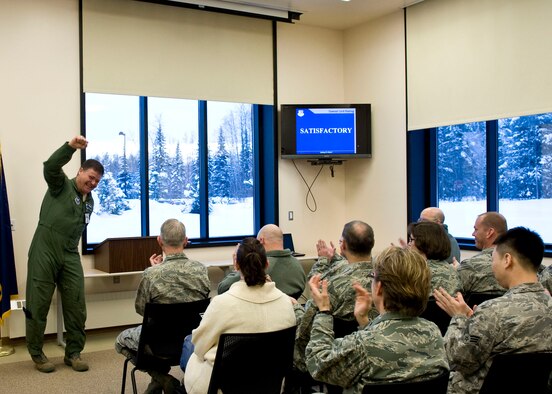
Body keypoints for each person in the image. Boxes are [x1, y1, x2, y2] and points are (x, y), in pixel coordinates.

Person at [305, 246, 448, 393]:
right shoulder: (434, 333)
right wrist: (364, 322)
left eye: (372, 276)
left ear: (379, 287)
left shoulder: (363, 344)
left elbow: (318, 364)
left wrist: (323, 311)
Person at [434, 226, 552, 394]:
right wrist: (472, 317)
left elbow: (460, 361)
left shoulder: (492, 311)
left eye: (493, 259)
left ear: (507, 260)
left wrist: (459, 318)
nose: (492, 265)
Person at [25, 136, 104, 373]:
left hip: (70, 253)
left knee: (76, 305)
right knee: (38, 304)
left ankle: (74, 354)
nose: (92, 184)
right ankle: (38, 354)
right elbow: (50, 166)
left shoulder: (89, 201)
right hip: (45, 249)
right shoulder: (60, 185)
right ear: (80, 171)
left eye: (97, 182)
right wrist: (70, 148)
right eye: (90, 178)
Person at [183, 237, 296, 394]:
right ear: (267, 265)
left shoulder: (221, 303)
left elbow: (200, 349)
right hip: (269, 384)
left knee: (189, 344)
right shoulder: (286, 303)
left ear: (236, 265)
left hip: (223, 386)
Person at [115, 218, 210, 393]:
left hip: (158, 342)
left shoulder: (151, 274)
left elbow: (141, 310)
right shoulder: (201, 270)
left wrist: (154, 271)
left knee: (120, 341)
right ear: (186, 241)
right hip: (192, 340)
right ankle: (159, 381)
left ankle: (162, 378)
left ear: (159, 240)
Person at [292, 221, 378, 376]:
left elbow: (305, 329)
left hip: (334, 359)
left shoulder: (330, 287)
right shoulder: (385, 279)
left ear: (343, 245)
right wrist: (334, 259)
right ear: (372, 244)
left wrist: (296, 307)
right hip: (373, 358)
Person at [217, 224, 306, 298]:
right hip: (290, 315)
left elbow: (222, 289)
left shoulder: (258, 266)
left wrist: (238, 267)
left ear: (261, 240)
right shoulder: (298, 265)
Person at [456, 212, 508, 299]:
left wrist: (457, 270)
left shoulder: (469, 266)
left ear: (489, 232)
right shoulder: (522, 264)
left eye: (476, 229)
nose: (473, 234)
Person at [407, 221, 461, 297]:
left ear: (423, 242)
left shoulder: (419, 273)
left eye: (411, 240)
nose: (408, 244)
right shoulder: (450, 268)